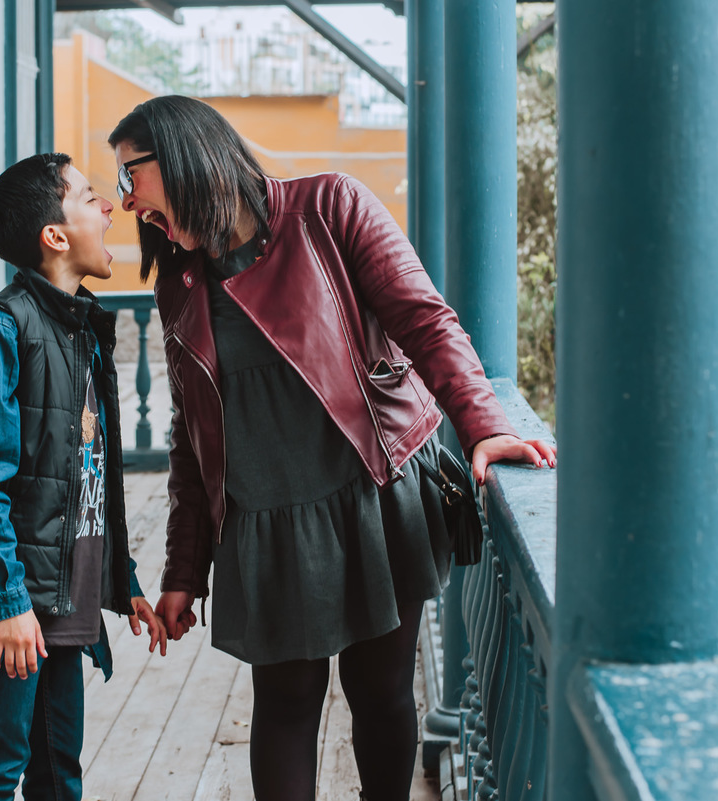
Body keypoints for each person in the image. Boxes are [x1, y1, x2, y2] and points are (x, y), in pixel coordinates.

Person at [108, 96, 557, 801]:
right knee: (283, 708)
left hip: (372, 496)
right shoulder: (180, 283)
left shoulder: (329, 207)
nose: (126, 200)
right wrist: (184, 569)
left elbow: (424, 320)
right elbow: (191, 441)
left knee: (380, 695)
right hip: (267, 526)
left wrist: (482, 422)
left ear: (183, 153)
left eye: (130, 175)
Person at [0, 152, 166, 801]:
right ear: (54, 235)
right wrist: (7, 603)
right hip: (16, 603)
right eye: (88, 198)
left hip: (62, 596)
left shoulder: (83, 328)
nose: (109, 206)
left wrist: (121, 578)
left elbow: (85, 476)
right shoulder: (0, 332)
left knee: (58, 768)